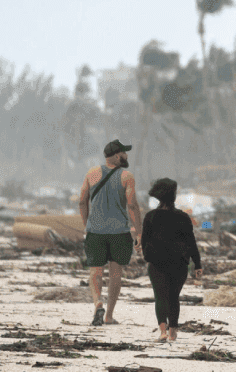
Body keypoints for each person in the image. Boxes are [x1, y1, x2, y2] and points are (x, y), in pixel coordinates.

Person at [79, 139, 142, 326]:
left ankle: (98, 303)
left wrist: (87, 225)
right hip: (119, 233)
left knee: (95, 271)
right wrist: (139, 232)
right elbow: (132, 205)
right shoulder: (127, 176)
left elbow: (82, 201)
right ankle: (109, 316)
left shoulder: (91, 173)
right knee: (116, 273)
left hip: (95, 232)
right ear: (116, 156)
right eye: (124, 153)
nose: (126, 155)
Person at [141, 177, 202, 342]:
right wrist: (197, 263)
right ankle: (173, 333)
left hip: (157, 263)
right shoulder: (183, 217)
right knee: (173, 297)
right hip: (179, 264)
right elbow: (191, 242)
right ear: (173, 195)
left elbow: (144, 241)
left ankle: (162, 331)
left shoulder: (150, 217)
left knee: (160, 297)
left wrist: (148, 257)